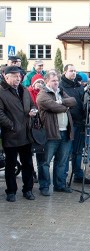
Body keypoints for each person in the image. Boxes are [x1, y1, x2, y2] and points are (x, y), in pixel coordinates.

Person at [0, 66, 37, 202]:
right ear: (6, 76)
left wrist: (33, 111)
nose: (18, 78)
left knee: (28, 163)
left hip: (26, 134)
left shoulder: (24, 90)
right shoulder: (1, 92)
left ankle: (28, 190)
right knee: (10, 165)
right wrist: (12, 125)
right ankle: (11, 191)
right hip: (11, 135)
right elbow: (0, 113)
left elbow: (33, 105)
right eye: (14, 76)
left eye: (19, 76)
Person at [36, 72, 77, 195]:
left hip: (65, 132)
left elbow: (73, 101)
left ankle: (59, 185)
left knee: (62, 161)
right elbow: (53, 107)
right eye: (53, 80)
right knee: (45, 162)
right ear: (47, 81)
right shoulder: (42, 94)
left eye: (57, 80)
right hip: (50, 134)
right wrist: (64, 106)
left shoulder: (60, 91)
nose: (56, 83)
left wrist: (60, 102)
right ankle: (44, 187)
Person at [59, 64, 90, 185]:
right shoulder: (61, 86)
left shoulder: (79, 86)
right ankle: (63, 177)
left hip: (80, 122)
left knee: (78, 151)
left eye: (75, 71)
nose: (73, 73)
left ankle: (78, 174)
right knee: (66, 151)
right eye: (71, 71)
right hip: (68, 123)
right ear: (65, 72)